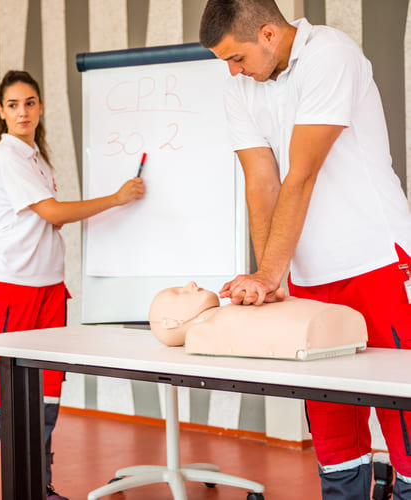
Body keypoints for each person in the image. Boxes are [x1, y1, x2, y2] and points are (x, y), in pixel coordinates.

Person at [199, 0, 411, 498]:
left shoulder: (330, 55)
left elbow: (301, 173)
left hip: (375, 260)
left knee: (404, 424)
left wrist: (269, 273)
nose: (232, 70)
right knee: (335, 435)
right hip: (312, 277)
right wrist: (265, 281)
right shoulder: (240, 87)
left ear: (269, 34)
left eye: (237, 57)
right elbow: (261, 182)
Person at [0, 70, 145, 500]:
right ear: (1, 112)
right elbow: (53, 214)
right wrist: (116, 198)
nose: (23, 111)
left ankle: (38, 486)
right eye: (14, 105)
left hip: (49, 290)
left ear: (40, 107)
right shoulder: (6, 158)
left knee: (44, 391)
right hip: (9, 289)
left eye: (31, 102)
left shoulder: (35, 156)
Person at [149, 281, 367, 360]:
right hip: (318, 330)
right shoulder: (201, 334)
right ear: (170, 323)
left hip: (328, 323)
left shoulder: (231, 310)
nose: (191, 284)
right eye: (179, 292)